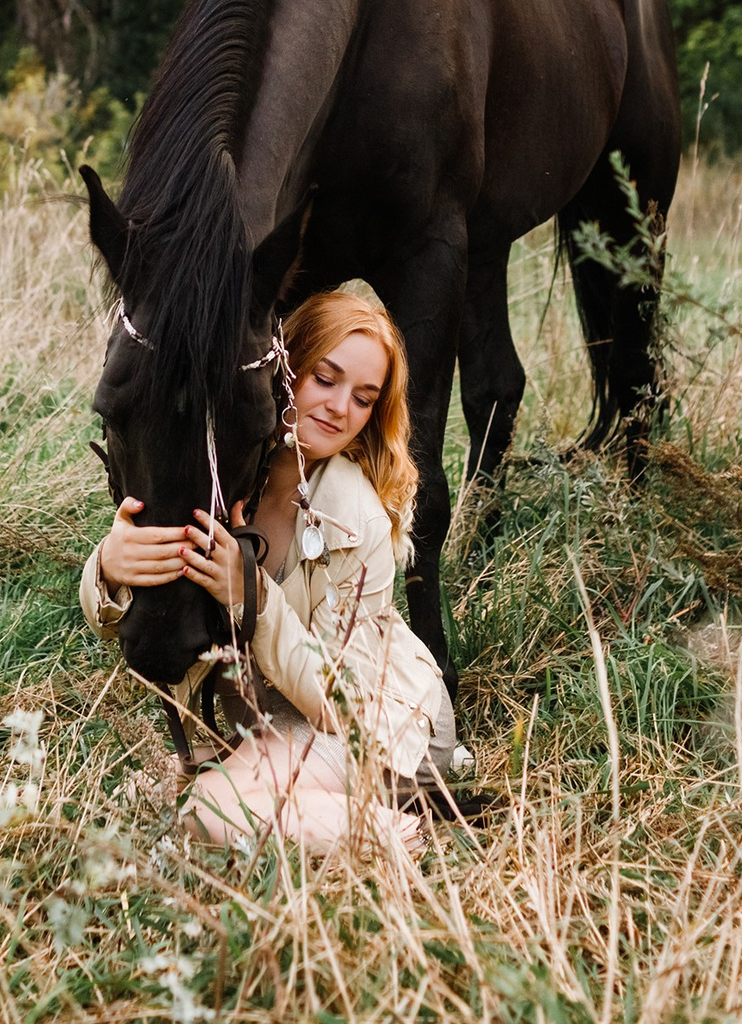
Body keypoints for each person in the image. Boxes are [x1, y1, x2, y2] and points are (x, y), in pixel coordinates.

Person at [81, 289, 460, 855]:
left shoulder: (357, 518)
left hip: (378, 726)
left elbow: (345, 700)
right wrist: (109, 568)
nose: (339, 408)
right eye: (324, 379)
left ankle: (402, 833)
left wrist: (252, 596)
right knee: (133, 801)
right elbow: (126, 611)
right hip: (271, 719)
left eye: (363, 398)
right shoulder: (232, 474)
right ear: (284, 367)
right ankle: (295, 801)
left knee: (207, 811)